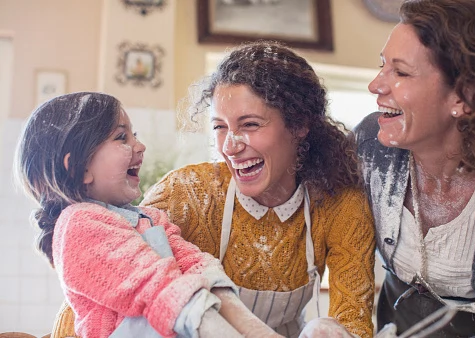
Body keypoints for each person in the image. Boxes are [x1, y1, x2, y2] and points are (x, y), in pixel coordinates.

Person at [141, 41, 376, 338]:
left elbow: (352, 321)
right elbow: (111, 279)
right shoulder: (185, 194)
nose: (230, 146)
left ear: (299, 124)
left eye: (250, 124)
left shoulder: (340, 205)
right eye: (219, 127)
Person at [14, 92, 281, 338]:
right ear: (79, 167)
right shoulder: (79, 225)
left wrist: (257, 330)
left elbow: (197, 265)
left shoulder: (150, 218)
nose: (140, 146)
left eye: (135, 135)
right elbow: (158, 289)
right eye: (121, 137)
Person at [353, 0, 475, 336]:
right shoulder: (368, 143)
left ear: (463, 97)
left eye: (401, 72)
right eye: (382, 66)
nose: (376, 85)